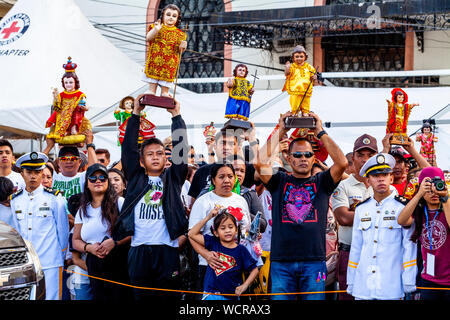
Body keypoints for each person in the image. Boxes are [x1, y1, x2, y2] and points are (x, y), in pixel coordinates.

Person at [254, 111, 347, 300]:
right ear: (289, 158)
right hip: (282, 262)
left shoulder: (322, 182)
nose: (303, 158)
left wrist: (320, 131)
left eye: (308, 154)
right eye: (297, 154)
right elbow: (258, 162)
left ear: (314, 159)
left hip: (314, 262)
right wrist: (281, 130)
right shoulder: (279, 181)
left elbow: (342, 162)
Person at [112, 95, 189, 301]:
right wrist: (135, 113)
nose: (155, 157)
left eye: (160, 153)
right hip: (139, 250)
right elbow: (128, 148)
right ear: (142, 161)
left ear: (166, 158)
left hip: (167, 250)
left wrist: (176, 116)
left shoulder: (173, 179)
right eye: (150, 154)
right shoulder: (136, 179)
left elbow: (181, 152)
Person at [347, 153, 417, 300]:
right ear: (368, 180)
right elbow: (356, 248)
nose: (380, 179)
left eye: (385, 174)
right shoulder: (361, 208)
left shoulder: (403, 207)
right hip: (363, 286)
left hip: (391, 286)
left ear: (391, 178)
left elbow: (409, 246)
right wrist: (351, 281)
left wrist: (409, 281)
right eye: (375, 175)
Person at [10, 152, 69, 300]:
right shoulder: (15, 200)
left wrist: (59, 256)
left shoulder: (54, 198)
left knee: (52, 297)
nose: (33, 176)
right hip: (25, 262)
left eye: (37, 172)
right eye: (29, 172)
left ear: (42, 173)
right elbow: (17, 231)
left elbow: (63, 231)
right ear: (22, 173)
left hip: (50, 260)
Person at [188, 163, 252, 298]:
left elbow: (246, 229)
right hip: (210, 266)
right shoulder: (204, 201)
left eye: (230, 176)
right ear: (213, 180)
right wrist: (206, 255)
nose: (227, 180)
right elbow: (192, 235)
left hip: (237, 266)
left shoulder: (241, 200)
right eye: (221, 177)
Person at [72, 163, 131, 301]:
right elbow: (75, 240)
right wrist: (89, 248)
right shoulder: (82, 210)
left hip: (118, 261)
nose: (97, 180)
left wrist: (114, 242)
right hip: (94, 263)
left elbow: (133, 231)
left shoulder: (120, 202)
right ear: (87, 183)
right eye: (92, 178)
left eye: (102, 177)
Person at [331, 134, 378, 300]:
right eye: (361, 155)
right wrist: (377, 214)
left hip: (377, 252)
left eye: (370, 155)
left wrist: (356, 213)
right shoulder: (343, 186)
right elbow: (343, 218)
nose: (365, 160)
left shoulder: (383, 186)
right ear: (353, 157)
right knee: (348, 297)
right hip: (349, 253)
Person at [397, 166, 450, 300]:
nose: (434, 192)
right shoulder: (419, 212)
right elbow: (401, 220)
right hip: (428, 279)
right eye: (428, 188)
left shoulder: (447, 207)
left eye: (437, 186)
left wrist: (445, 198)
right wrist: (419, 194)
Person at [188, 208, 259, 300]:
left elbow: (255, 270)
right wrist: (208, 217)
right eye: (222, 228)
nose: (227, 230)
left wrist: (244, 286)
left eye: (231, 227)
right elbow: (191, 234)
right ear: (216, 233)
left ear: (236, 230)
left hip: (231, 296)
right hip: (211, 294)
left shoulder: (241, 250)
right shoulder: (213, 242)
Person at [143, 4, 187, 97]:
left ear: (177, 18)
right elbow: (148, 38)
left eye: (174, 16)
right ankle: (152, 90)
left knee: (166, 80)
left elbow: (180, 50)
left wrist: (183, 46)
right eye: (168, 15)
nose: (171, 18)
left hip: (169, 63)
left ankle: (165, 92)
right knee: (152, 77)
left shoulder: (180, 34)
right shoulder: (155, 27)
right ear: (162, 16)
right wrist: (156, 30)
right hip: (155, 60)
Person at [45, 57, 91, 144]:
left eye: (70, 82)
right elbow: (56, 108)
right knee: (63, 115)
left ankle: (74, 128)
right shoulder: (61, 95)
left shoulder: (79, 94)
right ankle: (65, 131)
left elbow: (86, 105)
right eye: (66, 83)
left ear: (75, 82)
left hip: (76, 116)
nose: (68, 85)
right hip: (63, 117)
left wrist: (85, 107)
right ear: (63, 83)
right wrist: (55, 98)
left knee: (75, 110)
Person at [282, 45, 317, 116]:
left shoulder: (309, 67)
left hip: (306, 90)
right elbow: (287, 74)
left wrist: (314, 77)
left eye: (301, 56)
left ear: (305, 57)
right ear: (293, 58)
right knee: (295, 104)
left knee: (306, 104)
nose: (299, 58)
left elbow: (313, 75)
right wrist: (287, 68)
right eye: (297, 56)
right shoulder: (292, 66)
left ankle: (305, 113)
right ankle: (295, 113)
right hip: (295, 90)